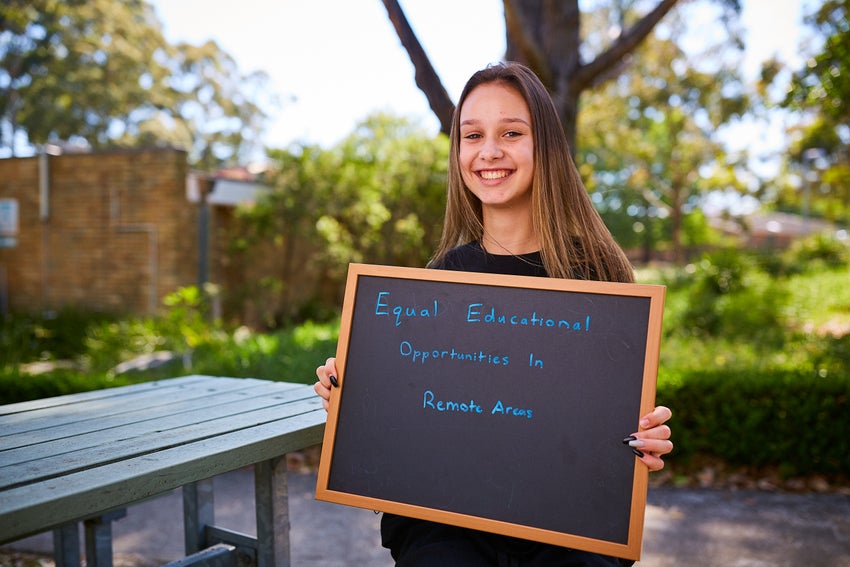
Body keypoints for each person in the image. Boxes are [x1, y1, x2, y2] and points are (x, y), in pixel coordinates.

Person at [315, 61, 673, 567]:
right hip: (445, 530)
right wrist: (356, 400)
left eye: (511, 132)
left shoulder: (599, 275)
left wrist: (644, 438)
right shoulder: (440, 277)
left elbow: (616, 422)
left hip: (567, 531)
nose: (489, 151)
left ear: (544, 145)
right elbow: (413, 417)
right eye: (472, 135)